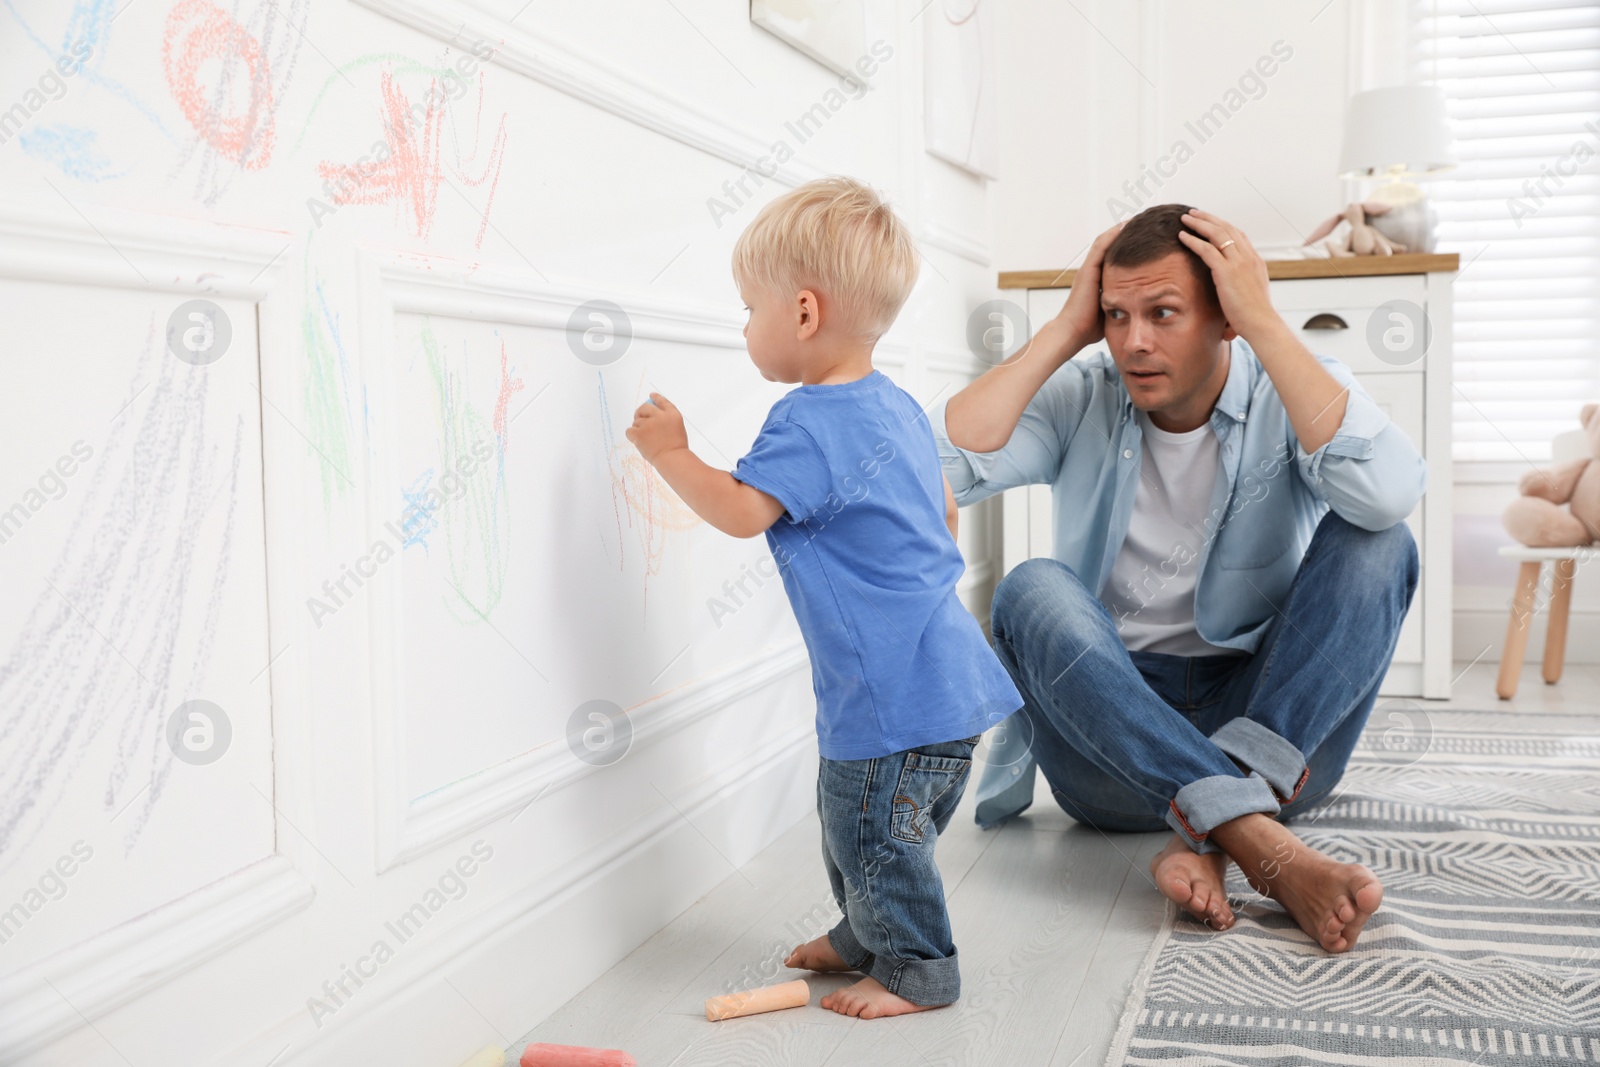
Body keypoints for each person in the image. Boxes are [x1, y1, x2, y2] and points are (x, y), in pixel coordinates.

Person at [933, 204, 1422, 953]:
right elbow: (941, 464)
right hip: (1112, 747)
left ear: (1225, 316)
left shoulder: (1286, 382)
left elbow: (1389, 495)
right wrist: (1067, 329)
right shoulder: (1087, 390)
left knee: (1380, 542)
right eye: (1116, 315)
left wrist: (1263, 321)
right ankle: (1265, 844)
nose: (1134, 341)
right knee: (1031, 588)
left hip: (1274, 730)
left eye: (1162, 313)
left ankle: (1217, 822)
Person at [626, 176, 1021, 1016]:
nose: (744, 326)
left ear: (803, 314)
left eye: (748, 307)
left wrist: (671, 452)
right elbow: (946, 513)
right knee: (865, 829)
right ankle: (861, 933)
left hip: (890, 702)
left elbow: (739, 510)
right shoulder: (902, 408)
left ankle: (919, 968)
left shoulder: (805, 421)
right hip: (953, 683)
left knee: (874, 835)